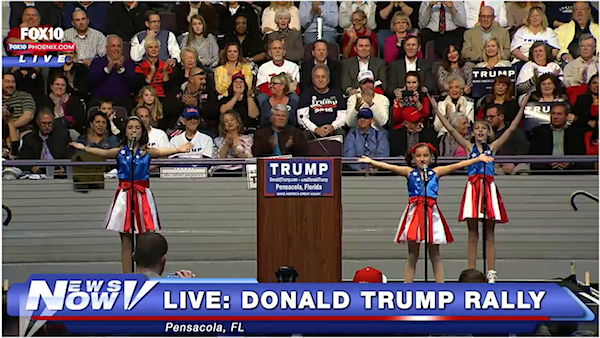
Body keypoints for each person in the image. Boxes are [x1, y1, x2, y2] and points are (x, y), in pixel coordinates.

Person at [69, 116, 193, 273]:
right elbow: (103, 152)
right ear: (125, 131)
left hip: (142, 196)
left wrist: (178, 149)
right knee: (126, 240)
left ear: (142, 131)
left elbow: (162, 151)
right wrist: (85, 148)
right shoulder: (120, 151)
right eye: (130, 127)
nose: (134, 130)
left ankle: (145, 274)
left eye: (137, 127)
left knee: (144, 240)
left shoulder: (147, 151)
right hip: (125, 196)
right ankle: (127, 277)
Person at [431, 92, 531, 283]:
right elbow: (450, 129)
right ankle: (471, 271)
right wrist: (435, 108)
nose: (480, 131)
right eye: (476, 128)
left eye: (483, 128)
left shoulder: (492, 147)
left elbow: (510, 129)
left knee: (490, 234)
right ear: (473, 131)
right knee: (472, 234)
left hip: (488, 188)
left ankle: (491, 272)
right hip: (473, 189)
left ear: (488, 131)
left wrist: (522, 106)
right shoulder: (469, 148)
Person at [358, 144, 493, 283]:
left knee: (435, 254)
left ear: (431, 157)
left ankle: (440, 286)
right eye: (418, 156)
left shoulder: (436, 172)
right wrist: (372, 162)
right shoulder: (409, 172)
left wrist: (477, 159)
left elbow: (457, 165)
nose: (422, 159)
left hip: (431, 213)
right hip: (415, 213)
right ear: (413, 158)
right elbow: (390, 167)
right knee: (412, 254)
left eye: (425, 155)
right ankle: (407, 287)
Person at [529, 103, 587, 172]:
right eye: (553, 113)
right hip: (545, 169)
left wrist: (570, 163)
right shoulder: (539, 131)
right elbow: (534, 153)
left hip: (570, 170)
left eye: (559, 114)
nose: (555, 117)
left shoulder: (575, 133)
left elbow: (580, 153)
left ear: (566, 116)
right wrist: (548, 162)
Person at [297, 65, 347, 138]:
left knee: (341, 133)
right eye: (317, 77)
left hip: (333, 130)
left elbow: (343, 116)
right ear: (313, 79)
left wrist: (333, 127)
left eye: (323, 77)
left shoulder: (337, 94)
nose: (320, 80)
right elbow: (301, 118)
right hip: (312, 131)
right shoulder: (306, 94)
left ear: (328, 79)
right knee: (304, 135)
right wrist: (315, 129)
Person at [89, 35, 137, 110]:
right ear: (106, 48)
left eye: (119, 46)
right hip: (100, 100)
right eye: (113, 46)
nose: (116, 49)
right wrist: (107, 69)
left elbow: (133, 85)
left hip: (122, 101)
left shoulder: (129, 63)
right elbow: (91, 82)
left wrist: (121, 70)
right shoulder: (97, 62)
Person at [19, 108, 72, 174]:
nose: (46, 126)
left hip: (58, 173)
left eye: (49, 123)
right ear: (37, 122)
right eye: (43, 123)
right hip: (36, 175)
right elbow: (22, 161)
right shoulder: (29, 138)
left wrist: (63, 168)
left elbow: (70, 156)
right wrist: (32, 168)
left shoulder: (63, 136)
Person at [485, 104, 529, 175]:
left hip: (516, 163)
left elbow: (523, 151)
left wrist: (514, 163)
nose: (488, 120)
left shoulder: (515, 131)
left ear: (501, 117)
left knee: (523, 168)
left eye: (491, 117)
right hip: (496, 164)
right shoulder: (486, 134)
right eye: (487, 117)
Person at [344, 108, 390, 172]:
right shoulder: (351, 135)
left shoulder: (380, 135)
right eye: (360, 117)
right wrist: (359, 169)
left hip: (377, 172)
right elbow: (350, 157)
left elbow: (383, 156)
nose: (362, 120)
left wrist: (375, 169)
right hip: (356, 173)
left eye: (366, 118)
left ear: (372, 120)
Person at [211, 110, 253, 175]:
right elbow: (216, 160)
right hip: (222, 171)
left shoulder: (247, 139)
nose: (229, 122)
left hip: (241, 170)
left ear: (238, 122)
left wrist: (233, 148)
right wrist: (227, 145)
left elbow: (248, 158)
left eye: (232, 120)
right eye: (226, 121)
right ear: (224, 126)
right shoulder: (217, 140)